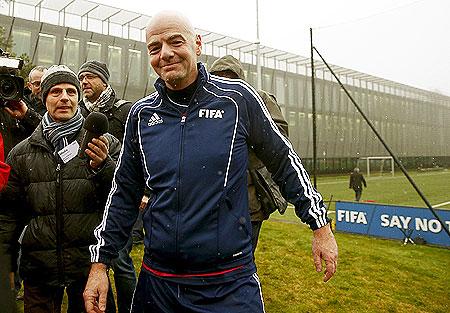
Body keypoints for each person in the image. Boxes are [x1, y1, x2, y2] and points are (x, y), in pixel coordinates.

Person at [84, 11, 338, 313]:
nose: (165, 54)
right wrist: (100, 263)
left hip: (228, 282)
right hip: (159, 282)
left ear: (198, 44)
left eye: (175, 42)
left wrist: (320, 226)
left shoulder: (238, 99)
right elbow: (124, 192)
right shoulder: (141, 115)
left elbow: (284, 161)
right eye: (155, 47)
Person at [0, 65, 120, 312]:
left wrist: (105, 166)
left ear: (78, 98)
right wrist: (6, 266)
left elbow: (122, 196)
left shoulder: (104, 143)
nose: (64, 97)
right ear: (44, 99)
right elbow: (8, 216)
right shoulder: (21, 154)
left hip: (87, 265)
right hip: (39, 267)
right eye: (55, 91)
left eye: (70, 91)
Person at [209, 55, 289, 252]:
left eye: (229, 76)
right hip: (211, 201)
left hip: (248, 200)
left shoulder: (259, 99)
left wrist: (237, 139)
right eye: (218, 77)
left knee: (242, 263)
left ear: (240, 79)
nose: (223, 81)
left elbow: (278, 141)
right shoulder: (207, 103)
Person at [78, 60, 136, 313]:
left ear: (104, 81)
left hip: (117, 197)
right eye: (81, 78)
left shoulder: (125, 111)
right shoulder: (77, 112)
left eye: (90, 77)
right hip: (85, 197)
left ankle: (129, 307)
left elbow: (134, 157)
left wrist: (107, 162)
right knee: (92, 263)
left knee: (121, 262)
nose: (84, 83)